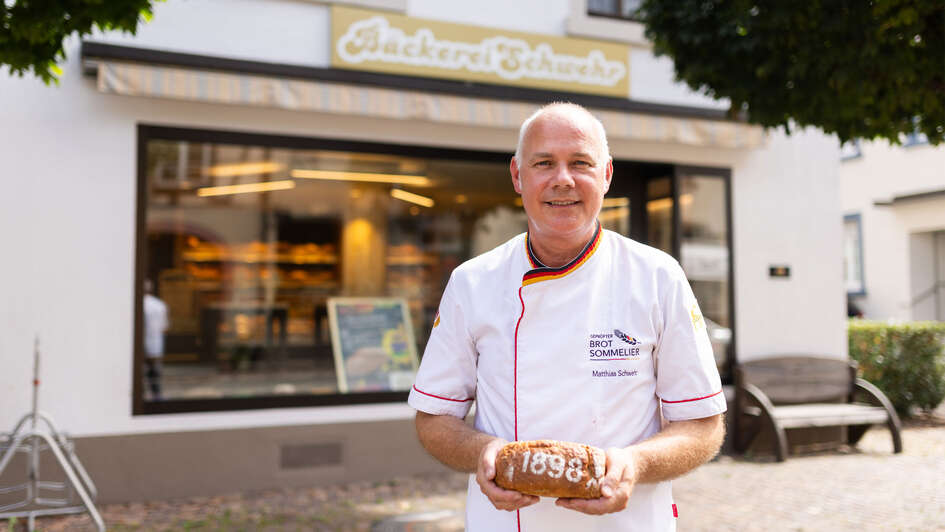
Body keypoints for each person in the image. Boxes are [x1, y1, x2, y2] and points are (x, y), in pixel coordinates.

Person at [407, 102, 726, 531]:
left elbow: (703, 426)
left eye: (580, 162)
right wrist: (484, 452)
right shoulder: (473, 282)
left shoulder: (657, 277)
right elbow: (434, 420)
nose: (563, 179)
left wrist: (634, 463)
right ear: (518, 176)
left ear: (606, 175)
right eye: (544, 163)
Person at [143, 278, 169, 400]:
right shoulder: (160, 304)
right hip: (156, 343)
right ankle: (156, 395)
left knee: (143, 372)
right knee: (154, 373)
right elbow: (165, 327)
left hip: (144, 344)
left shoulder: (140, 304)